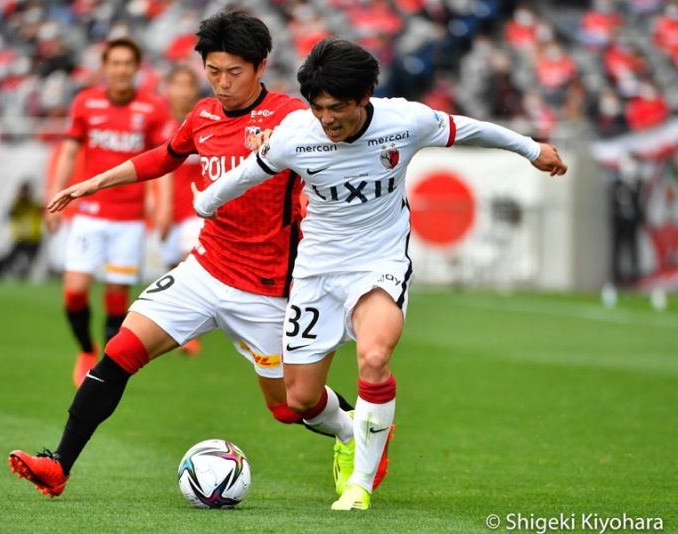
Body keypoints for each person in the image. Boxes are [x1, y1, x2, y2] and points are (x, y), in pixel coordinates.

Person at [192, 38, 569, 511]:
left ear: (364, 97)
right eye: (319, 108)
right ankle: (356, 432)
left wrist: (532, 149)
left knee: (374, 356)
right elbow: (250, 172)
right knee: (301, 401)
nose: (327, 119)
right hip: (316, 270)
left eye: (338, 108)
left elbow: (470, 129)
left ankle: (360, 485)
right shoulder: (295, 133)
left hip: (379, 262)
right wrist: (205, 202)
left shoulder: (404, 121)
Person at [9, 10, 366, 500]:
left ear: (261, 66)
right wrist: (93, 182)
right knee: (120, 352)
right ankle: (58, 465)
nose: (222, 83)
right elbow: (164, 156)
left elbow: (339, 152)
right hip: (204, 268)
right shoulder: (202, 115)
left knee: (288, 408)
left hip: (266, 289)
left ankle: (354, 430)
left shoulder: (291, 118)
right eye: (213, 71)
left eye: (233, 73)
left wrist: (295, 172)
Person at [45, 37, 172, 387]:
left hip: (129, 220)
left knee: (117, 295)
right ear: (106, 67)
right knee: (74, 291)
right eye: (114, 63)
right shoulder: (86, 103)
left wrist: (161, 206)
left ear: (136, 68)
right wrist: (55, 196)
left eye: (127, 63)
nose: (121, 70)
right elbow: (70, 152)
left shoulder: (153, 108)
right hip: (90, 213)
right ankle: (86, 348)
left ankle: (102, 368)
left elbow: (162, 162)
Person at [158, 64, 205, 356]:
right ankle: (180, 330)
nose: (182, 91)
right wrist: (158, 207)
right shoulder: (159, 124)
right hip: (169, 211)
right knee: (171, 269)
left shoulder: (204, 121)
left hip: (196, 212)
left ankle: (190, 334)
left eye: (188, 85)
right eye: (177, 85)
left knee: (190, 266)